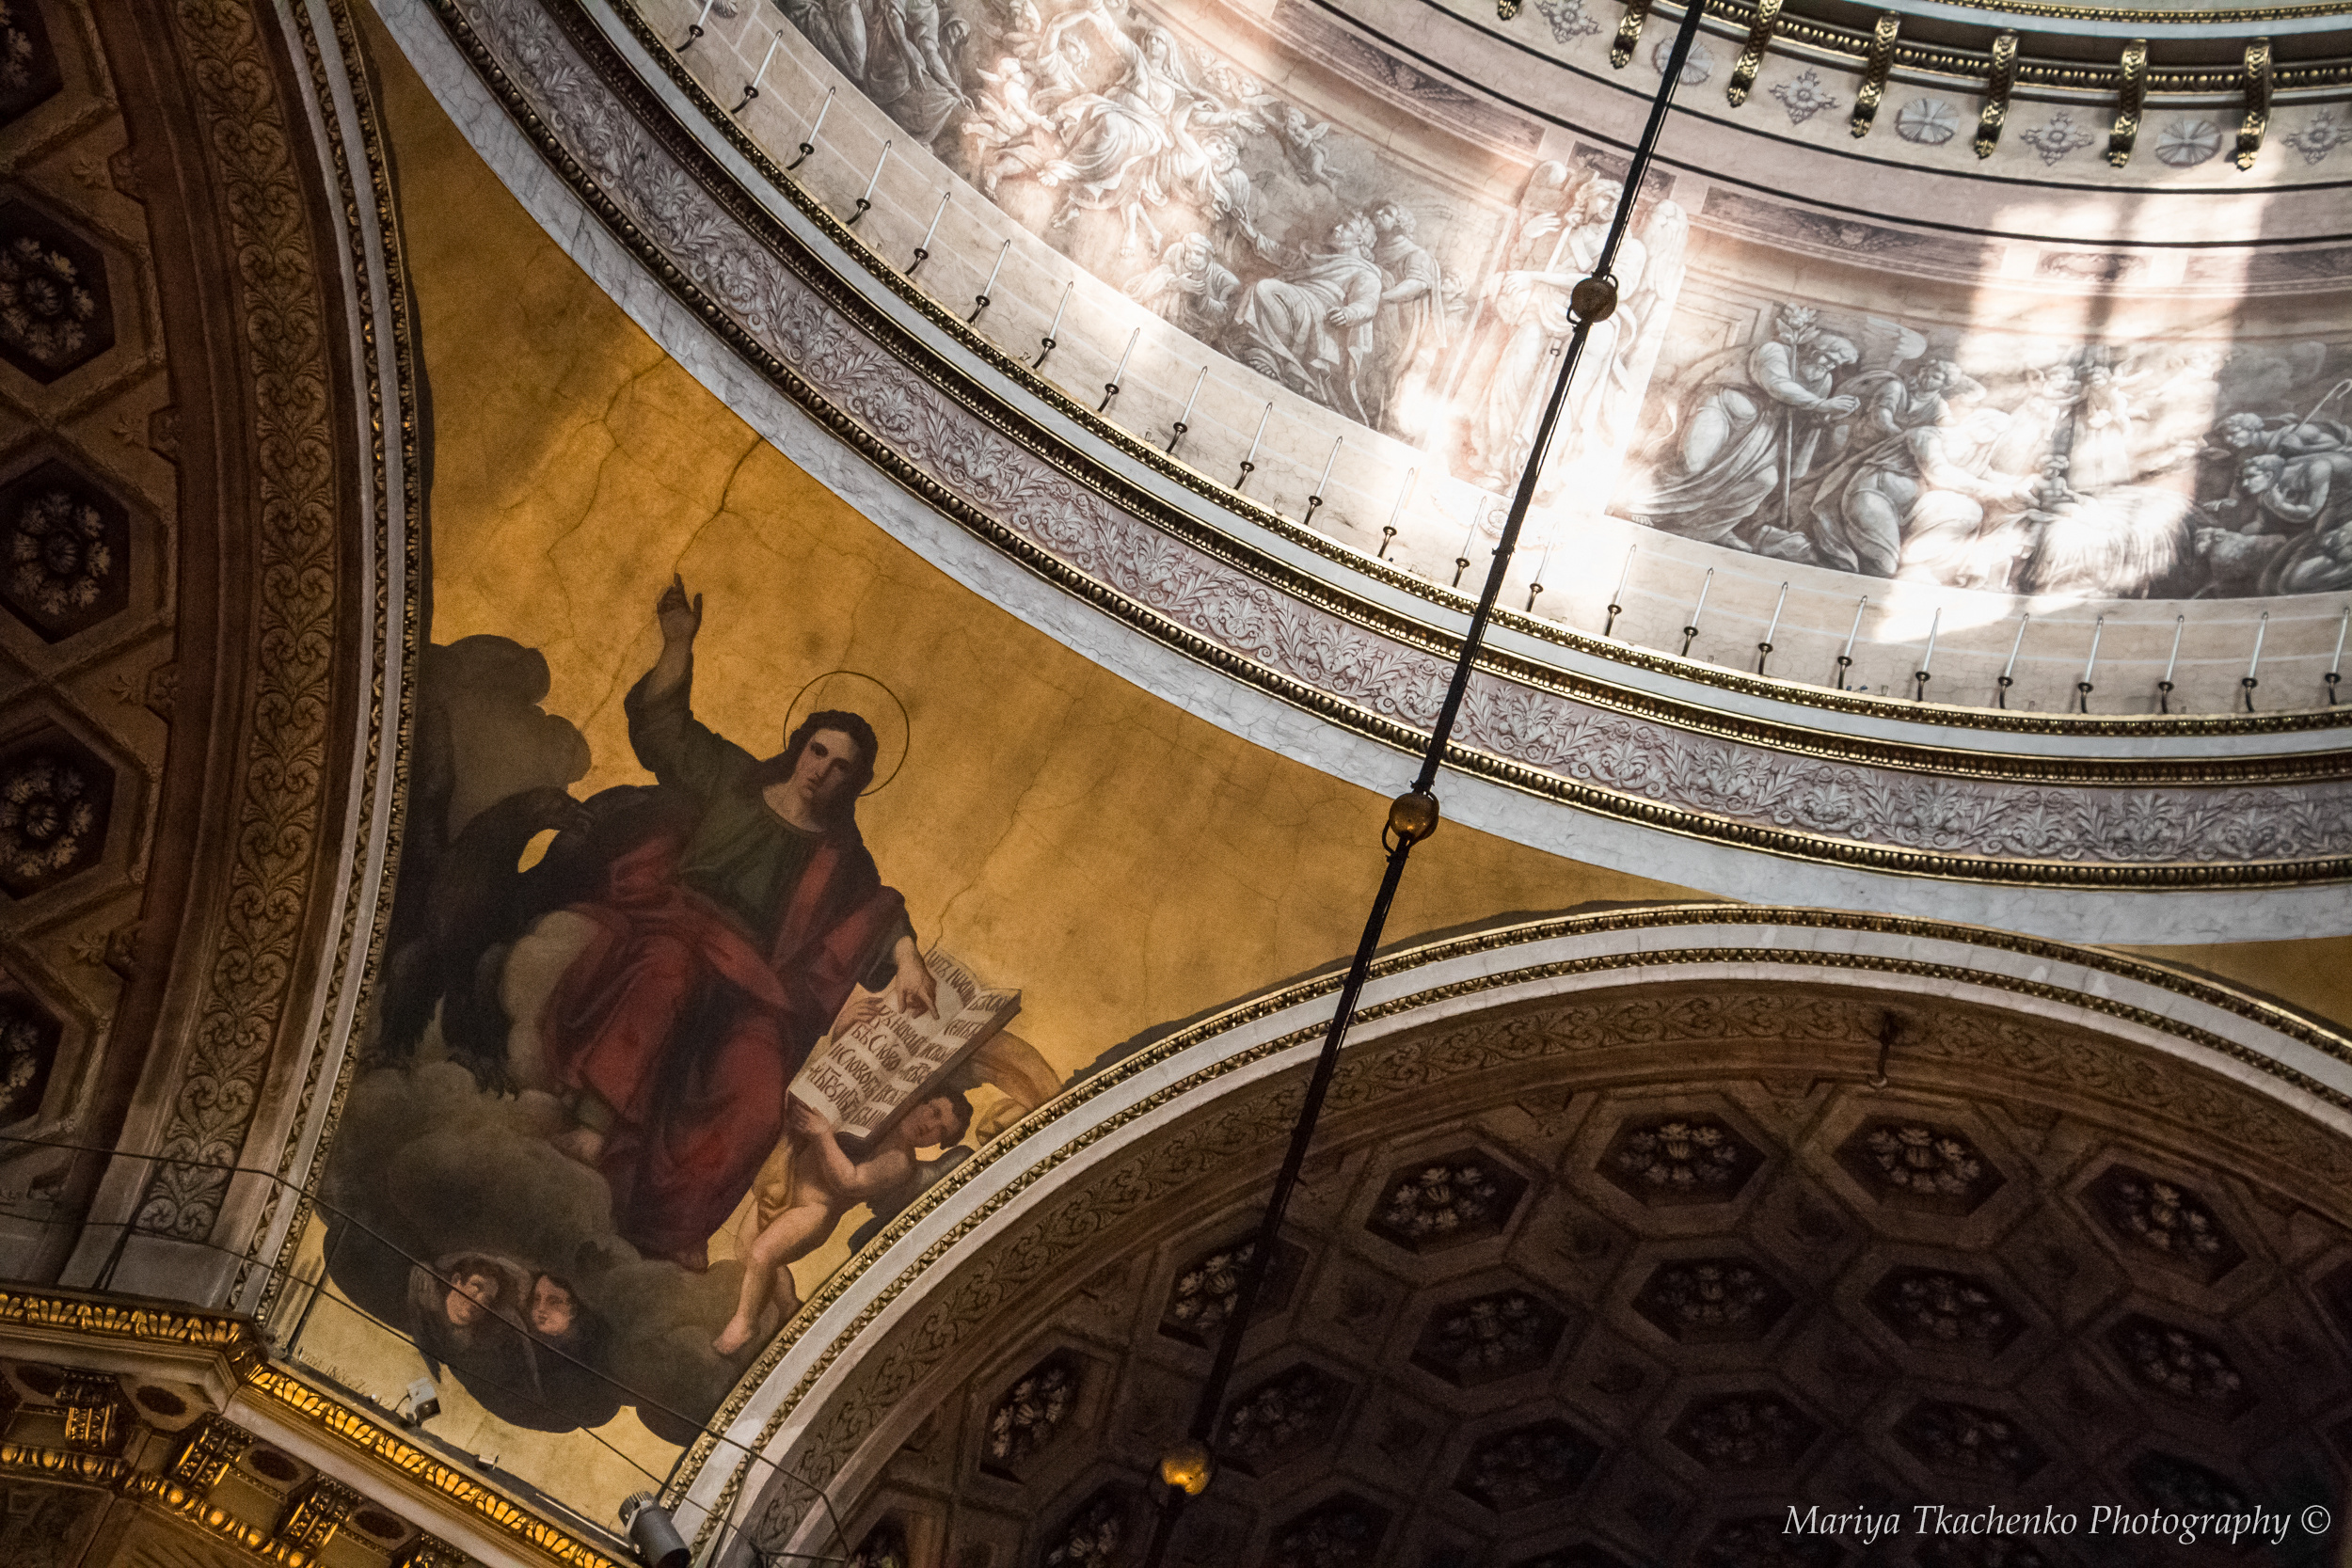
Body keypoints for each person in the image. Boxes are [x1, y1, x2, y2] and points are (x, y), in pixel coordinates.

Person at [537, 576, 935, 1271]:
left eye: (843, 768)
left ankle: (664, 1234)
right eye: (819, 751)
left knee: (758, 1093)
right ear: (799, 745)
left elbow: (877, 913)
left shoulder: (844, 856)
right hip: (681, 927)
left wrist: (909, 961)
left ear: (856, 783)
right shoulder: (732, 778)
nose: (824, 772)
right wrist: (677, 645)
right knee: (670, 976)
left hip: (757, 984)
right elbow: (664, 730)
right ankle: (593, 1133)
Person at [714, 1089, 973, 1354]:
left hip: (814, 1211)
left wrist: (822, 1134)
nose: (929, 1125)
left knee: (761, 1253)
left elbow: (850, 1181)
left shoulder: (899, 1161)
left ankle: (744, 1324)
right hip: (785, 1186)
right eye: (934, 1111)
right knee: (745, 1250)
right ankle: (789, 1306)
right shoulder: (879, 1114)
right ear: (921, 1100)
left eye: (940, 1131)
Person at [1225, 214, 1385, 422]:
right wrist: (1252, 234)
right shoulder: (1321, 258)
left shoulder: (1365, 273)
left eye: (1346, 227)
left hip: (1320, 309)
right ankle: (1272, 359)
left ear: (1360, 240)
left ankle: (1277, 360)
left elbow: (1368, 304)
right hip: (1298, 296)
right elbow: (1283, 256)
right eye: (1339, 222)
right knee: (1264, 290)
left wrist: (1348, 313)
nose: (1336, 227)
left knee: (1265, 288)